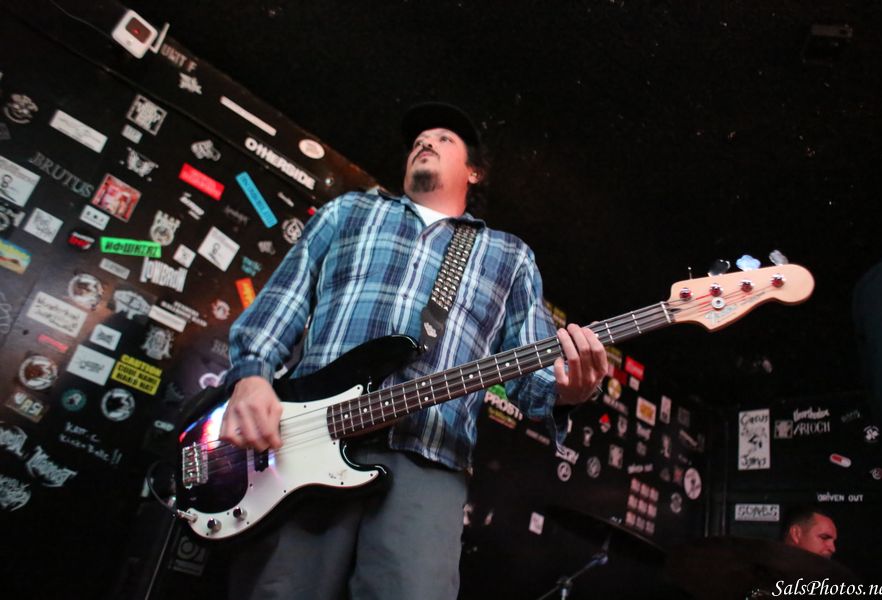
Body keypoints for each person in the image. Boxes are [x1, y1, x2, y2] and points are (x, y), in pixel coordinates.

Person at [219, 102, 608, 600]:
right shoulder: (348, 212)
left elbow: (531, 373)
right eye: (420, 140)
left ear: (474, 171)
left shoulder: (509, 255)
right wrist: (252, 376)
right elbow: (284, 301)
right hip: (303, 445)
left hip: (429, 456)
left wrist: (567, 391)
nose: (425, 142)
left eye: (444, 139)